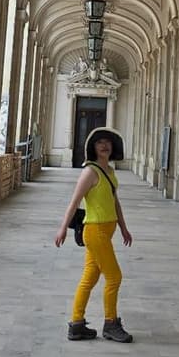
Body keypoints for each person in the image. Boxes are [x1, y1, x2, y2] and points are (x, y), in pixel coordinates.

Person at [54, 127, 133, 342]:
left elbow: (114, 202)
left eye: (108, 142)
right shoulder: (90, 172)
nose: (104, 145)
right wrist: (63, 228)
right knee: (114, 277)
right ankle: (110, 323)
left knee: (89, 277)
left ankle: (77, 325)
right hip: (95, 231)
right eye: (100, 142)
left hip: (106, 231)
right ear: (93, 147)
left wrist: (123, 228)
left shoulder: (110, 171)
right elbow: (74, 201)